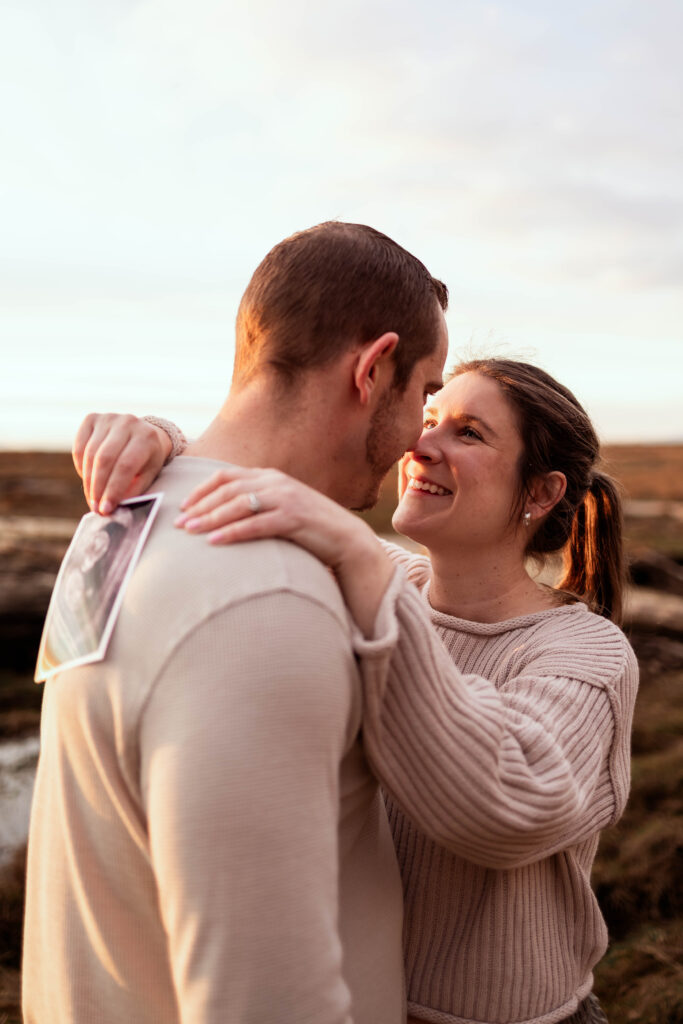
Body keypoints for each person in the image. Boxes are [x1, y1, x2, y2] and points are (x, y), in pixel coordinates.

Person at [79, 358, 638, 1024]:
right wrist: (161, 444)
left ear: (540, 493)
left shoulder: (584, 655)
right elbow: (258, 464)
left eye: (468, 433)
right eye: (428, 419)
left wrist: (362, 560)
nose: (420, 444)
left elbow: (507, 811)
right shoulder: (384, 579)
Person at [22, 220, 450, 1024]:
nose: (421, 431)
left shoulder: (119, 522)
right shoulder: (266, 600)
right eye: (425, 391)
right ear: (373, 368)